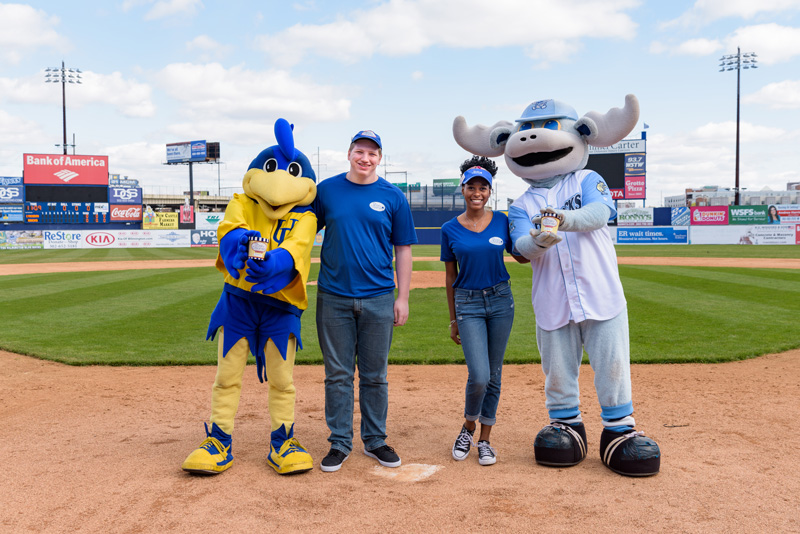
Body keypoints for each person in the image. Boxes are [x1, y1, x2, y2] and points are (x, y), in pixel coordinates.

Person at [313, 130, 418, 472]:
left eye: (372, 154)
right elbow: (302, 232)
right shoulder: (326, 190)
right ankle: (339, 443)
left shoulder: (393, 196)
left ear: (379, 158)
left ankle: (375, 441)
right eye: (360, 151)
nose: (365, 158)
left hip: (378, 298)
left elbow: (403, 248)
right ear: (349, 153)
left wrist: (402, 297)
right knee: (338, 375)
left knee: (375, 375)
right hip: (334, 296)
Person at [441, 155, 526, 466]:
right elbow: (450, 276)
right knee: (479, 375)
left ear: (490, 191)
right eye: (471, 187)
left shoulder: (503, 221)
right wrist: (452, 319)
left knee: (494, 374)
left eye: (483, 187)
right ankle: (467, 428)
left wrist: (542, 240)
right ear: (462, 189)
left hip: (501, 300)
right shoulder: (449, 229)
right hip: (467, 304)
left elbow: (522, 257)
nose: (477, 192)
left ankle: (485, 440)